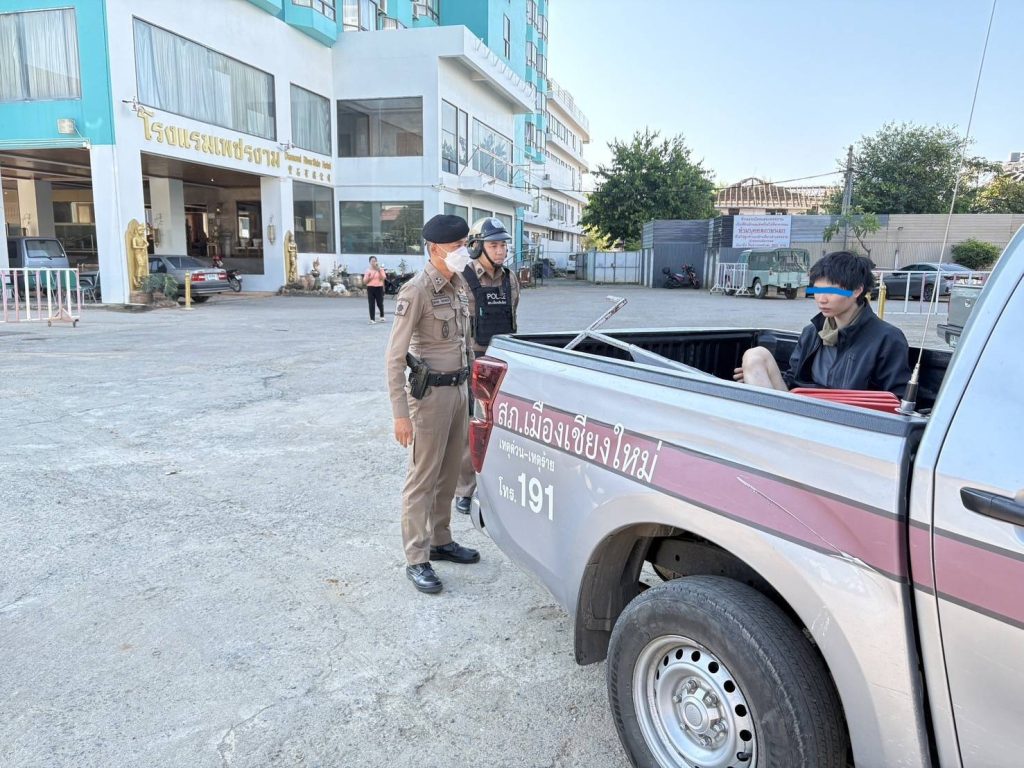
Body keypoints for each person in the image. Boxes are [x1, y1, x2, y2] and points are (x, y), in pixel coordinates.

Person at [385, 214, 480, 594]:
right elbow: (394, 358)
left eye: (465, 245)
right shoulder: (416, 291)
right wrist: (400, 415)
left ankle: (440, 540)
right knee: (422, 480)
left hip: (458, 392)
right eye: (457, 246)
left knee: (449, 475)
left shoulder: (458, 285)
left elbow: (464, 343)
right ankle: (416, 557)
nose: (464, 252)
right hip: (429, 399)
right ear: (435, 248)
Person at [735, 250, 911, 397]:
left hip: (847, 419)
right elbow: (792, 380)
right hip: (801, 409)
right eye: (817, 290)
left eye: (830, 291)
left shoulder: (887, 339)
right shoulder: (812, 332)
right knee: (755, 355)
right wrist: (759, 376)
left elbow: (896, 400)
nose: (821, 299)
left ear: (857, 290)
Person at [453, 217, 520, 514]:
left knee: (502, 425)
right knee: (472, 426)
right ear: (476, 247)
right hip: (473, 362)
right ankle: (465, 490)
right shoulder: (462, 277)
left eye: (503, 245)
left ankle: (496, 484)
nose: (501, 251)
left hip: (503, 362)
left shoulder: (510, 279)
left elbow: (512, 316)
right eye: (494, 245)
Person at [363, 256, 387, 324]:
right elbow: (364, 281)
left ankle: (382, 316)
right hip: (370, 288)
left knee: (380, 303)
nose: (373, 262)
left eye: (375, 261)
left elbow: (383, 278)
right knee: (371, 304)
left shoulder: (381, 269)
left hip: (379, 288)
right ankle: (372, 319)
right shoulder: (368, 270)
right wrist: (369, 277)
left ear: (377, 262)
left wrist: (379, 270)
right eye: (372, 261)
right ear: (369, 262)